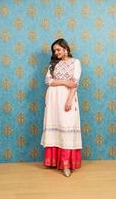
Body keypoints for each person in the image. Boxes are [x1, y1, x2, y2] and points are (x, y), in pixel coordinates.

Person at [41, 38, 82, 177]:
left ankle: (66, 165)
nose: (56, 52)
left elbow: (75, 83)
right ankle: (54, 162)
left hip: (66, 98)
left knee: (66, 127)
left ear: (66, 48)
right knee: (56, 126)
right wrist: (65, 81)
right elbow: (48, 80)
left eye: (58, 49)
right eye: (54, 50)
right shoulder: (53, 63)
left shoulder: (75, 62)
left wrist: (69, 100)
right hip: (53, 100)